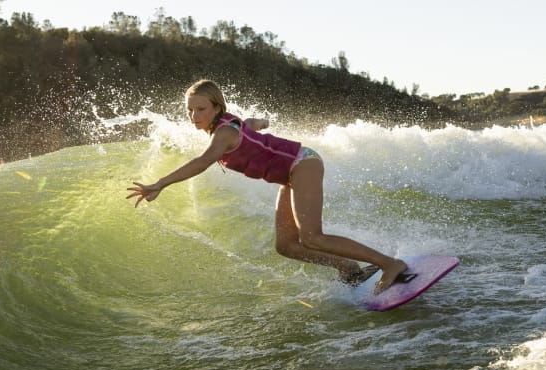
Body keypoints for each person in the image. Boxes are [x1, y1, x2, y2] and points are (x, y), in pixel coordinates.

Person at [126, 79, 412, 292]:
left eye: (201, 109)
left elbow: (203, 161)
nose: (194, 116)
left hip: (302, 164)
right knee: (286, 245)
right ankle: (347, 267)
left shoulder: (223, 132)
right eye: (189, 110)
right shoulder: (228, 125)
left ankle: (389, 264)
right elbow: (249, 123)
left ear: (217, 108)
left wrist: (161, 183)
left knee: (312, 237)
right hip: (290, 174)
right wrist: (261, 122)